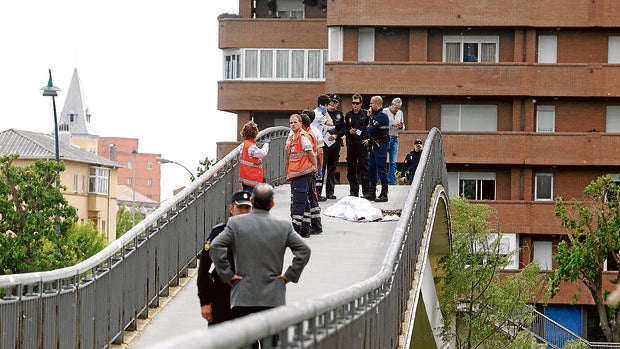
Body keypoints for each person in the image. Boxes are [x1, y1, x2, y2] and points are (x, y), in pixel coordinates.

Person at [209, 182, 311, 322]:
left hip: (243, 297)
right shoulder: (283, 226)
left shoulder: (236, 224)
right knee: (271, 342)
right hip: (273, 298)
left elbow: (215, 247)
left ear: (252, 201)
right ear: (272, 204)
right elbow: (304, 250)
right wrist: (289, 276)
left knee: (245, 342)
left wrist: (228, 275)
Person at [196, 190, 252, 324]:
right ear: (232, 209)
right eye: (240, 207)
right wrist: (205, 302)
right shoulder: (218, 233)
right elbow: (204, 269)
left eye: (247, 208)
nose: (244, 212)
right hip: (221, 296)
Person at [285, 114, 318, 237]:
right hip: (297, 174)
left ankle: (296, 229)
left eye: (295, 122)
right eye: (291, 123)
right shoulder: (294, 137)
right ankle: (305, 229)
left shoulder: (302, 136)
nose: (292, 124)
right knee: (304, 202)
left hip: (303, 173)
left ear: (300, 123)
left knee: (298, 202)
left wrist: (314, 167)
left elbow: (310, 152)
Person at [363, 95, 390, 202]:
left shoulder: (382, 116)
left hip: (381, 146)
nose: (369, 106)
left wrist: (369, 124)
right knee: (371, 170)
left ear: (377, 104)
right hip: (374, 146)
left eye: (371, 104)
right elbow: (365, 128)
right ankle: (372, 192)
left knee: (381, 169)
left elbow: (371, 129)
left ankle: (384, 193)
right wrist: (368, 117)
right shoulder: (374, 116)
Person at [300, 110, 323, 234]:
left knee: (306, 199)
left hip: (304, 171)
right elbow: (320, 152)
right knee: (313, 198)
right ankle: (317, 225)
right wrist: (319, 168)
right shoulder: (316, 133)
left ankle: (307, 226)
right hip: (312, 170)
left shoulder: (302, 135)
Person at [344, 93, 370, 197]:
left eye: (357, 103)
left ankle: (366, 191)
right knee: (351, 168)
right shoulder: (348, 115)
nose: (355, 105)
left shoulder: (365, 114)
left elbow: (370, 128)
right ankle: (354, 191)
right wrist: (349, 131)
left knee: (364, 167)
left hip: (362, 144)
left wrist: (368, 139)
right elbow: (344, 129)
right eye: (353, 103)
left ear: (361, 103)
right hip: (351, 144)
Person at [321, 93, 346, 200]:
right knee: (321, 169)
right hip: (323, 145)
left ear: (337, 104)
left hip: (334, 144)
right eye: (331, 102)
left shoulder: (339, 114)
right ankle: (318, 192)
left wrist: (336, 136)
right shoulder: (321, 114)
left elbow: (343, 129)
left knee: (332, 168)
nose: (332, 104)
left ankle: (330, 192)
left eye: (335, 102)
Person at [312, 94, 334, 201]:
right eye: (328, 104)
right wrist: (326, 112)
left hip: (317, 142)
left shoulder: (316, 113)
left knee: (318, 168)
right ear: (323, 105)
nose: (329, 107)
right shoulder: (319, 114)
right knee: (318, 168)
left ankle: (316, 193)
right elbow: (330, 123)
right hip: (316, 144)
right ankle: (316, 193)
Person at [239, 120, 270, 193]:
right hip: (253, 178)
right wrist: (266, 143)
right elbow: (263, 153)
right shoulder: (251, 146)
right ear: (255, 133)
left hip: (245, 177)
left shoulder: (243, 145)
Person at [383, 98, 405, 185]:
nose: (397, 109)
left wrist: (400, 126)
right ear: (392, 105)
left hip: (395, 138)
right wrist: (391, 124)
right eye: (396, 107)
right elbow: (381, 125)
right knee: (382, 160)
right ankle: (381, 180)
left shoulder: (400, 113)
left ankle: (391, 181)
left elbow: (403, 127)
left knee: (393, 162)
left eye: (399, 108)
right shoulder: (385, 111)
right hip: (385, 138)